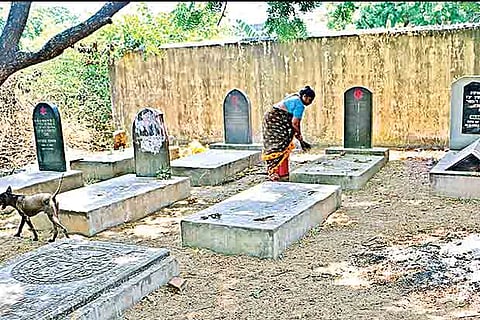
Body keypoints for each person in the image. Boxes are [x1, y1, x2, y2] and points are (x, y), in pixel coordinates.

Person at [261, 85, 315, 181]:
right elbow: (295, 123)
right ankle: (274, 172)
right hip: (275, 121)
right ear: (305, 97)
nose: (309, 103)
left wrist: (296, 134)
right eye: (309, 100)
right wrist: (299, 134)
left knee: (282, 144)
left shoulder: (294, 97)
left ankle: (282, 172)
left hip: (270, 118)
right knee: (278, 145)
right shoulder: (299, 105)